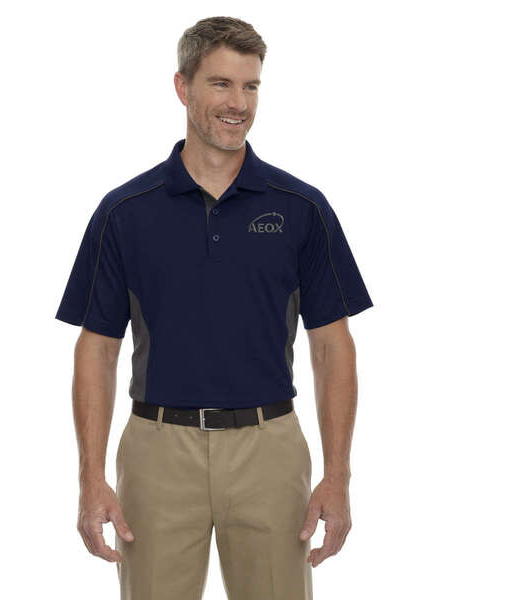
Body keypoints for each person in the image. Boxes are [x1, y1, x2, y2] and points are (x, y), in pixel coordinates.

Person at [55, 16, 374, 600]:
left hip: (270, 449)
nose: (239, 103)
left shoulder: (301, 208)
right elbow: (96, 350)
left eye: (251, 86)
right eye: (221, 84)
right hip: (157, 450)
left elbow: (332, 346)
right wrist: (91, 478)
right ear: (183, 87)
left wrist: (338, 475)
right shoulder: (125, 212)